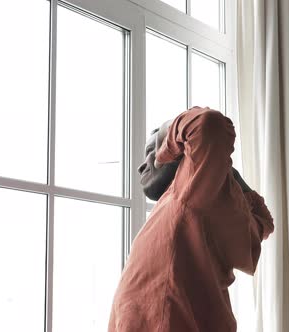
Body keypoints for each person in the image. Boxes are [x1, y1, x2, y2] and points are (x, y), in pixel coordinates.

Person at [108, 106, 274, 332]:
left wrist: (166, 133)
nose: (142, 165)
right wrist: (232, 179)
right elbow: (263, 222)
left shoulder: (189, 192)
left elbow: (208, 124)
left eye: (150, 150)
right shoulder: (193, 208)